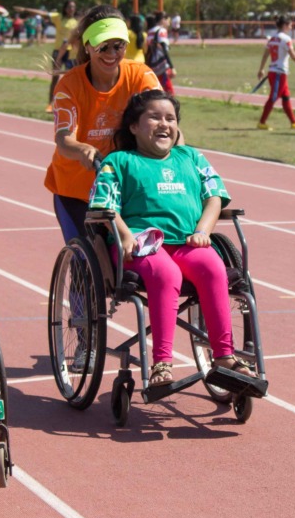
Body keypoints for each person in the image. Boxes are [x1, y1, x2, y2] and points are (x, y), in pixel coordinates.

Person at [88, 89, 252, 386]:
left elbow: (214, 197)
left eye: (170, 118)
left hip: (188, 241)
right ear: (134, 127)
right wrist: (124, 235)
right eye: (154, 117)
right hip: (141, 244)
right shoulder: (119, 161)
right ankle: (162, 363)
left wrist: (203, 230)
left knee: (214, 267)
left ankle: (225, 356)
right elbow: (105, 207)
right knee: (165, 273)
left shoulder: (191, 157)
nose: (164, 124)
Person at [45, 5, 161, 242]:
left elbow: (165, 121)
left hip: (124, 188)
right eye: (102, 47)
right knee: (89, 258)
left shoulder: (141, 76)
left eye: (118, 46)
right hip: (76, 190)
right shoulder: (70, 85)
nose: (111, 54)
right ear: (87, 47)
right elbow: (64, 139)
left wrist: (181, 154)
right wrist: (83, 149)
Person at [16, 0, 79, 112]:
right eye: (69, 7)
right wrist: (26, 10)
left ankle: (70, 104)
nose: (71, 9)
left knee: (72, 80)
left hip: (71, 54)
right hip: (58, 51)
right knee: (55, 77)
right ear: (65, 8)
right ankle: (50, 103)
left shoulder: (76, 21)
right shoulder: (58, 17)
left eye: (73, 7)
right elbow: (42, 13)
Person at [255, 15, 295, 130]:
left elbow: (266, 53)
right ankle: (262, 122)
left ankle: (293, 122)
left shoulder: (272, 38)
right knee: (273, 98)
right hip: (278, 73)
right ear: (285, 25)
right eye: (290, 25)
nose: (291, 27)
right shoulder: (286, 39)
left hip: (275, 72)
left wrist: (261, 68)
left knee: (285, 97)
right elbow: (293, 55)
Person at [144, 11, 177, 95]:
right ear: (162, 20)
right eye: (167, 20)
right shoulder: (161, 31)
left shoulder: (150, 31)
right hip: (161, 65)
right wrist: (171, 67)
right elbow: (164, 50)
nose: (169, 23)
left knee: (156, 91)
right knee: (169, 92)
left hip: (151, 64)